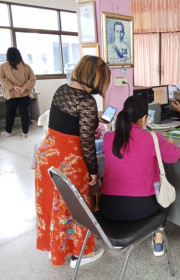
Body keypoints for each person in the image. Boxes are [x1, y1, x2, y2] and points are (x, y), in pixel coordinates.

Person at [34, 55, 111, 267]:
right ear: (96, 78)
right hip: (68, 159)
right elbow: (86, 142)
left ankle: (55, 249)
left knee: (53, 204)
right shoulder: (86, 101)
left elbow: (66, 123)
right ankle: (80, 254)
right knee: (77, 206)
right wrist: (94, 171)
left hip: (46, 154)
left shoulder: (62, 89)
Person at [99, 96, 180, 256]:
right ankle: (158, 242)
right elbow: (174, 156)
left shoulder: (108, 137)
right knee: (164, 197)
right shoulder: (152, 138)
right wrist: (169, 143)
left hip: (107, 208)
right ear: (144, 119)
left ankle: (118, 234)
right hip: (140, 210)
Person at [0, 47, 36, 138]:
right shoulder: (26, 66)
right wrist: (24, 88)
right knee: (25, 113)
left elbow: (1, 78)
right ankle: (25, 132)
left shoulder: (3, 66)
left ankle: (8, 131)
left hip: (11, 93)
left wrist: (13, 87)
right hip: (24, 94)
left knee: (10, 113)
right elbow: (32, 79)